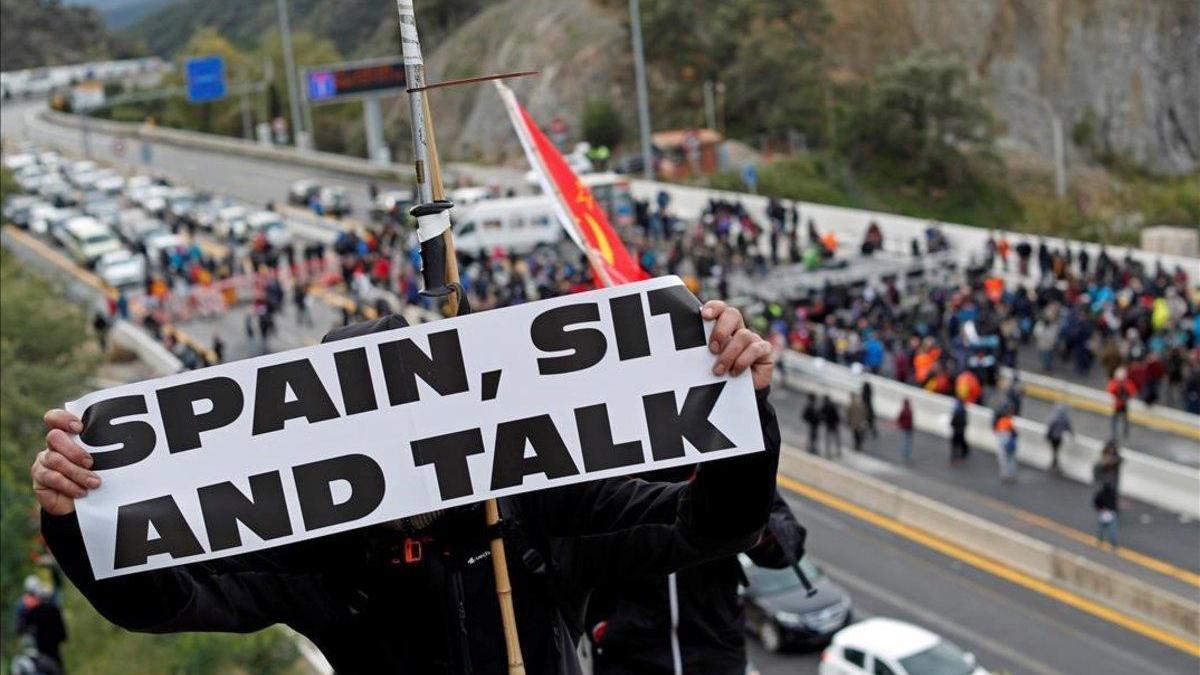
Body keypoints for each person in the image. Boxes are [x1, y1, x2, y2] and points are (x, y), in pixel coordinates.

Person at [32, 301, 781, 675]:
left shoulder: (536, 506)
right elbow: (164, 600)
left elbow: (711, 524)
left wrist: (740, 406)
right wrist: (75, 518)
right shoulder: (315, 551)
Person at [588, 490, 805, 675]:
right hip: (627, 655)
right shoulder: (613, 463)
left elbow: (789, 543)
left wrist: (747, 512)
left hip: (716, 650)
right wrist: (599, 624)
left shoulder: (720, 456)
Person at [14, 576, 66, 670]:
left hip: (41, 639)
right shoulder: (26, 605)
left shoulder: (26, 605)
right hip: (43, 639)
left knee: (48, 662)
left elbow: (20, 627)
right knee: (52, 662)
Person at [1106, 368, 1137, 439]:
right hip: (1123, 404)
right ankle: (1125, 431)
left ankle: (1114, 433)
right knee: (1124, 419)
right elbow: (1133, 391)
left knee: (1114, 420)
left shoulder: (1114, 383)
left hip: (1117, 405)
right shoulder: (1127, 383)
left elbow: (1110, 390)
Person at [1044, 403, 1073, 474]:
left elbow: (1050, 426)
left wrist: (1047, 435)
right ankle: (1055, 465)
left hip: (1053, 437)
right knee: (1056, 451)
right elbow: (1068, 426)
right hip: (1059, 437)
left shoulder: (1054, 417)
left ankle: (1054, 465)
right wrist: (1072, 434)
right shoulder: (1065, 418)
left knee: (1055, 451)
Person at [993, 409, 1018, 483]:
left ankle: (1006, 475)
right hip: (1009, 445)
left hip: (1005, 444)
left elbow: (999, 434)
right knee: (1010, 460)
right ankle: (1010, 475)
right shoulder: (1009, 422)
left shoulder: (1002, 422)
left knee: (1004, 460)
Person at [949, 398, 968, 465]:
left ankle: (954, 458)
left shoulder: (957, 411)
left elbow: (952, 422)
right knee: (960, 445)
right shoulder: (963, 410)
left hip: (957, 430)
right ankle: (959, 458)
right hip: (960, 430)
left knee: (955, 446)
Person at [896, 399, 914, 463]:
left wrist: (900, 425)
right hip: (908, 428)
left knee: (906, 441)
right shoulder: (909, 411)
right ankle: (906, 454)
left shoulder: (904, 411)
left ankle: (905, 453)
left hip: (905, 428)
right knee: (907, 442)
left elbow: (899, 419)